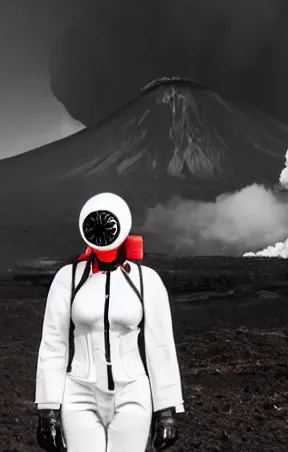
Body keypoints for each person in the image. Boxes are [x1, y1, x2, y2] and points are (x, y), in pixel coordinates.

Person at [34, 192, 185, 452]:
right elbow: (53, 344)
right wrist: (47, 410)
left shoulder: (145, 280)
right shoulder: (67, 279)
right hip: (78, 393)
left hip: (133, 394)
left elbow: (160, 346)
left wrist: (167, 409)